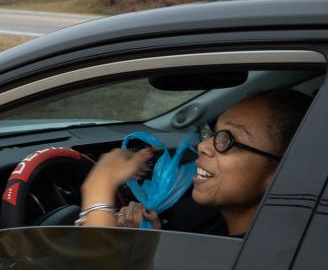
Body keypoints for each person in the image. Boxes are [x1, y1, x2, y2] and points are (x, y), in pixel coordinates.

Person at [79, 90, 312, 237]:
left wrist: (98, 188)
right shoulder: (216, 228)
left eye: (226, 140)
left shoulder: (246, 262)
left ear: (281, 171)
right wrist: (150, 236)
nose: (203, 146)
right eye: (212, 133)